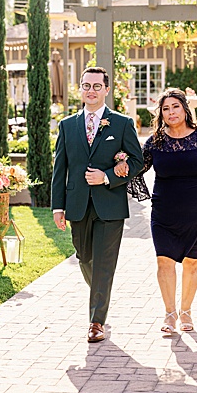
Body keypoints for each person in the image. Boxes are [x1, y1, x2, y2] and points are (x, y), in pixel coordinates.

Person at [51, 66, 144, 343]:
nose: (91, 91)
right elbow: (60, 168)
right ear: (80, 89)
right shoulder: (67, 125)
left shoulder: (122, 123)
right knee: (84, 258)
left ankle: (96, 321)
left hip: (110, 205)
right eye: (86, 86)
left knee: (104, 263)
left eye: (96, 86)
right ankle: (101, 294)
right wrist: (58, 207)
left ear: (106, 90)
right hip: (78, 204)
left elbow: (137, 161)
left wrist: (107, 176)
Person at [140, 90, 197, 338]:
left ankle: (186, 311)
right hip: (163, 211)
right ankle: (170, 313)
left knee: (192, 262)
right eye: (166, 108)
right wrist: (118, 161)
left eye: (175, 107)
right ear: (160, 113)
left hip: (196, 210)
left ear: (185, 110)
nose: (171, 112)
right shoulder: (155, 141)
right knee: (164, 261)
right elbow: (137, 167)